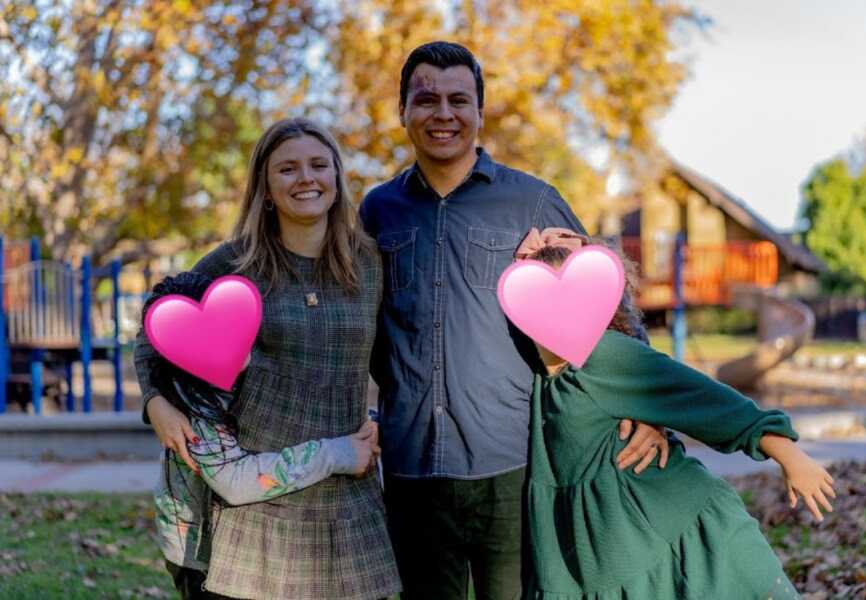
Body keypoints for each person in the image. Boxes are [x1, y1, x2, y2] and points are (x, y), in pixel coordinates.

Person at [359, 41, 668, 599]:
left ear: (481, 111)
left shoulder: (532, 201)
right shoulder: (376, 211)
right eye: (426, 100)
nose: (443, 114)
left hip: (513, 465)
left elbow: (609, 306)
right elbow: (358, 323)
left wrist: (648, 410)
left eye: (459, 100)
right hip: (410, 468)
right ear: (402, 110)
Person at [134, 117, 401, 599]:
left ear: (338, 180)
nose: (307, 179)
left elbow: (402, 353)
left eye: (320, 165)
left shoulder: (371, 263)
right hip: (255, 495)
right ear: (266, 187)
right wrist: (155, 403)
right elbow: (156, 325)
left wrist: (388, 418)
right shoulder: (233, 264)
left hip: (348, 490)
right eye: (288, 169)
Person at [522, 244, 836, 599]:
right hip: (604, 551)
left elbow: (706, 400)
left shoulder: (606, 355)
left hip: (677, 531)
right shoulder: (537, 376)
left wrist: (791, 457)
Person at [140, 271, 381, 599]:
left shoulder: (244, 370)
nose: (232, 342)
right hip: (197, 552)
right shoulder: (192, 405)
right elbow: (235, 480)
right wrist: (335, 454)